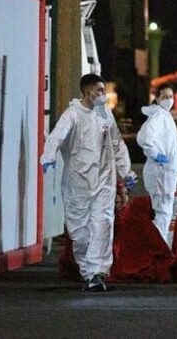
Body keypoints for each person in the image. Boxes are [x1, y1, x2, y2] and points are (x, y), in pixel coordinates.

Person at [41, 73, 135, 292]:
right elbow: (57, 136)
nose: (103, 94)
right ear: (87, 92)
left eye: (103, 90)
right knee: (80, 232)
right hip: (77, 184)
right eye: (99, 90)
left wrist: (126, 172)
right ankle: (87, 270)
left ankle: (96, 273)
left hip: (103, 182)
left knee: (103, 224)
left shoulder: (105, 115)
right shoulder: (73, 114)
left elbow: (117, 144)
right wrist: (49, 156)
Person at [136, 85, 177, 245]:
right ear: (157, 98)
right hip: (161, 171)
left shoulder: (164, 115)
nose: (169, 100)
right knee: (163, 212)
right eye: (165, 97)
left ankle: (156, 247)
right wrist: (156, 155)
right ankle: (157, 248)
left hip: (165, 170)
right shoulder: (159, 116)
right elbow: (143, 138)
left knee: (163, 212)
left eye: (171, 96)